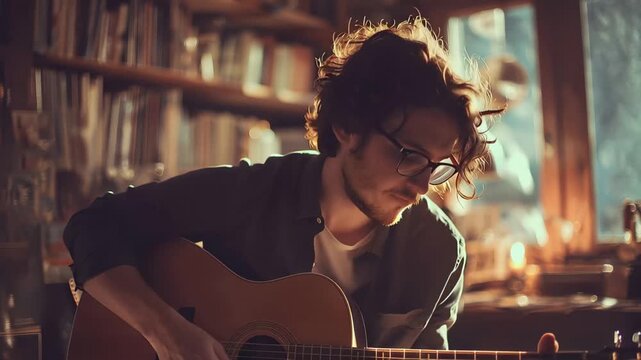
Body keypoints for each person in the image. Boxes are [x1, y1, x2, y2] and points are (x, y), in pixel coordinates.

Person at [63, 16, 558, 360]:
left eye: (438, 166)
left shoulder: (438, 251)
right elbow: (94, 226)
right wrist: (169, 333)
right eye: (408, 155)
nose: (422, 185)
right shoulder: (257, 192)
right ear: (348, 126)